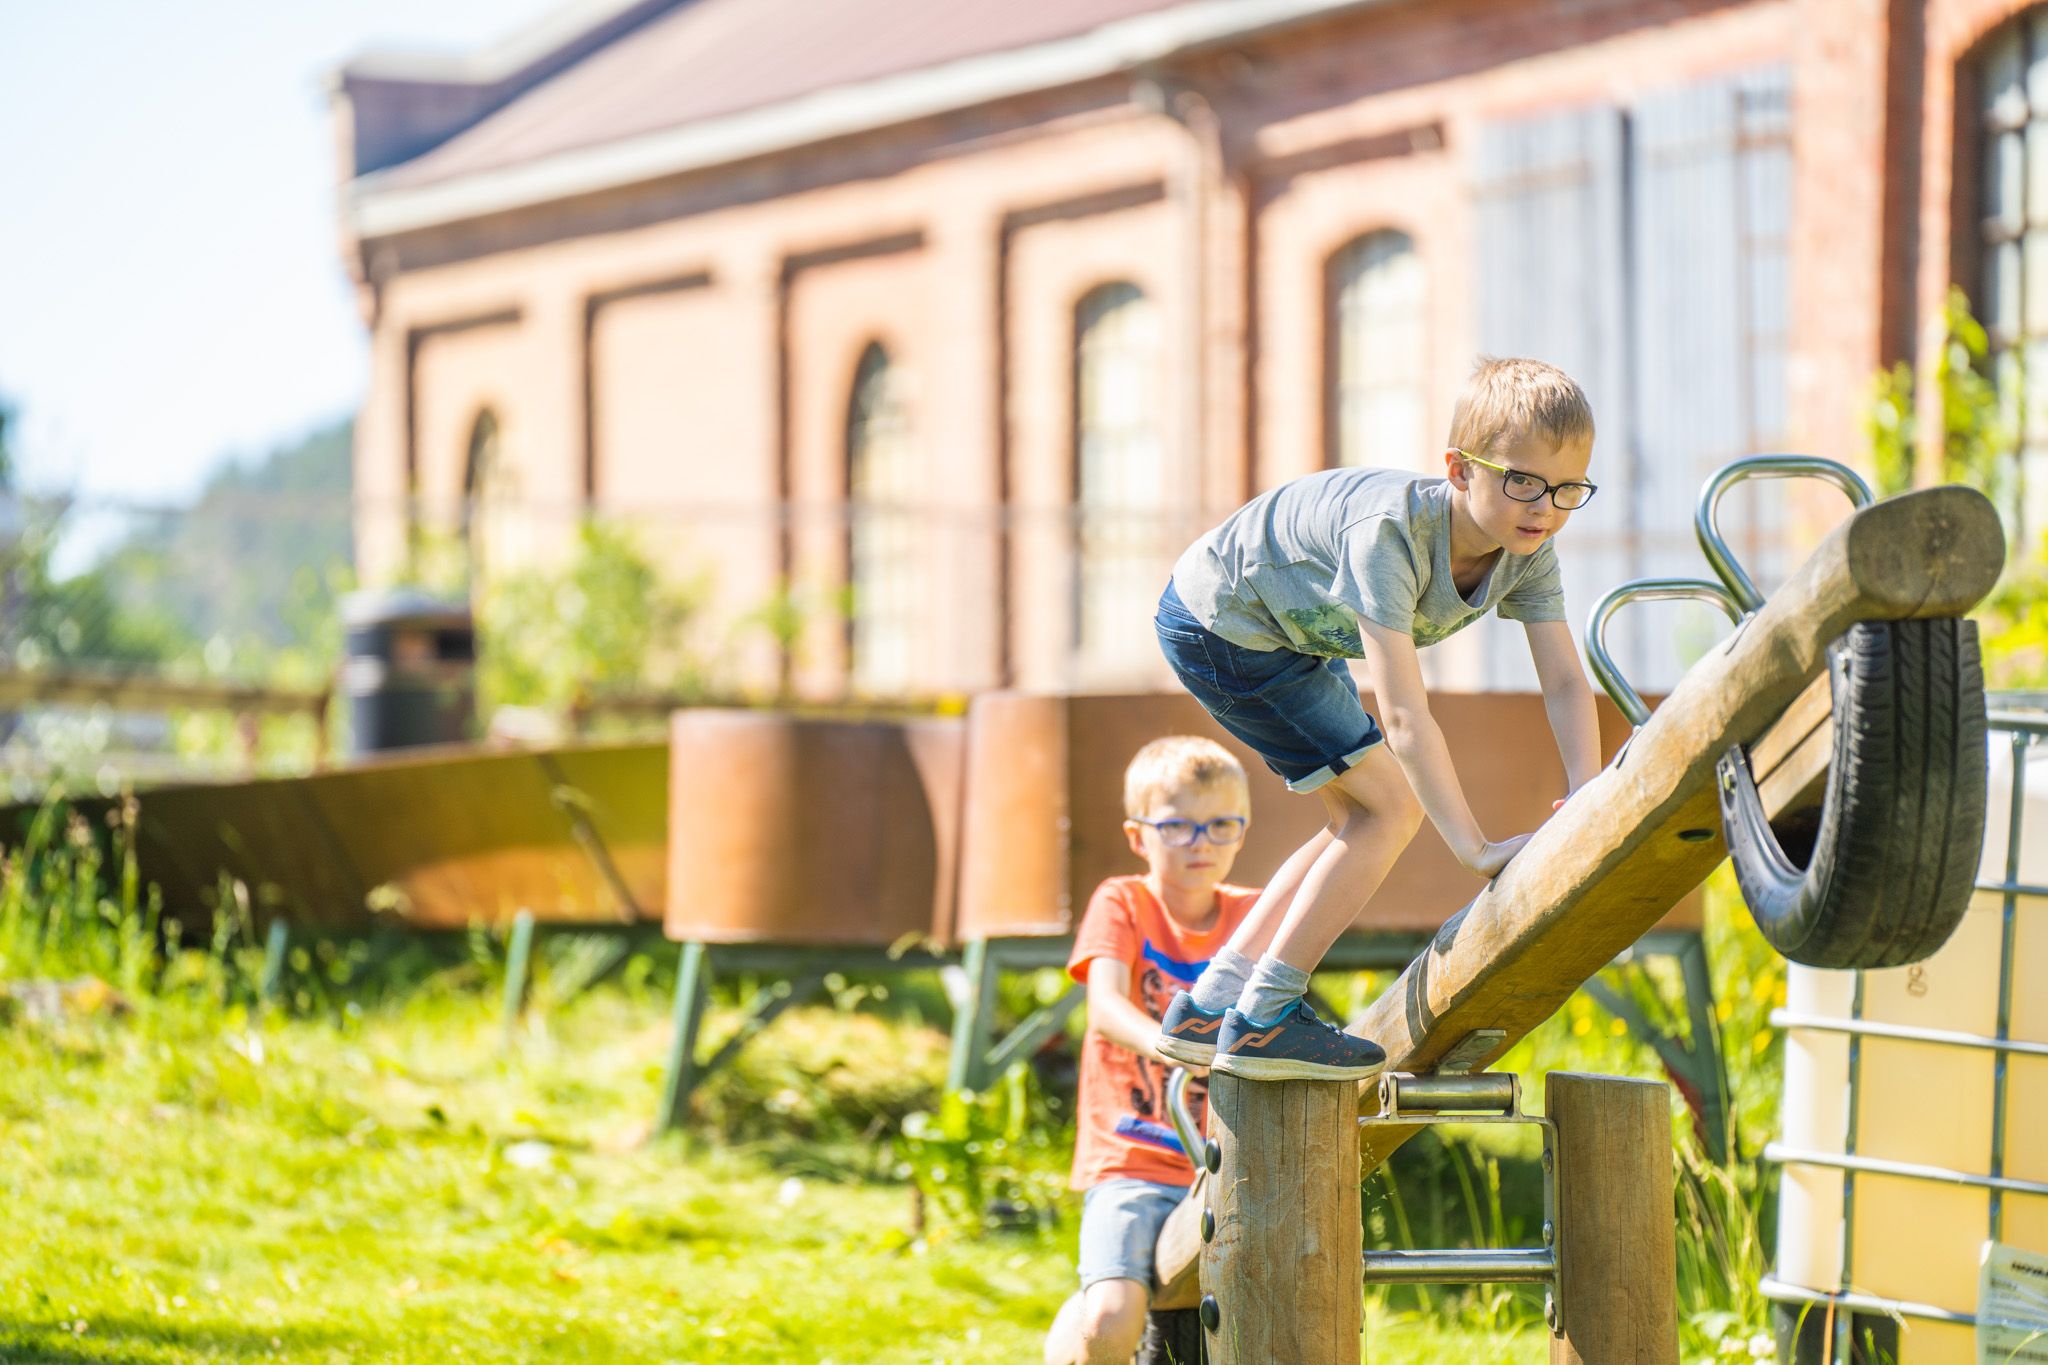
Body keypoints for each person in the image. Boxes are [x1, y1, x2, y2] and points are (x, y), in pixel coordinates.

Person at [1154, 356, 1605, 1083]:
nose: (1543, 507)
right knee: (1391, 811)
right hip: (1223, 624)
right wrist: (1476, 847)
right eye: (1521, 481)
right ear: (1460, 470)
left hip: (1287, 631)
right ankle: (1264, 1018)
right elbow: (1403, 712)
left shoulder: (1528, 550)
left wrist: (1588, 787)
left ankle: (1212, 1007)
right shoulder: (1390, 535)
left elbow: (1560, 676)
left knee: (1358, 817)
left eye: (1566, 489)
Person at [1042, 736, 1261, 1365]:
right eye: (1178, 827)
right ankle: (1090, 1307)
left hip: (1227, 1157)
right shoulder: (1124, 902)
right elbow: (1106, 1007)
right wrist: (1174, 1047)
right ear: (1140, 837)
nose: (1201, 843)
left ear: (1242, 831)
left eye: (1221, 825)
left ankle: (1093, 1292)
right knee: (1111, 1319)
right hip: (1133, 1155)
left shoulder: (1254, 914)